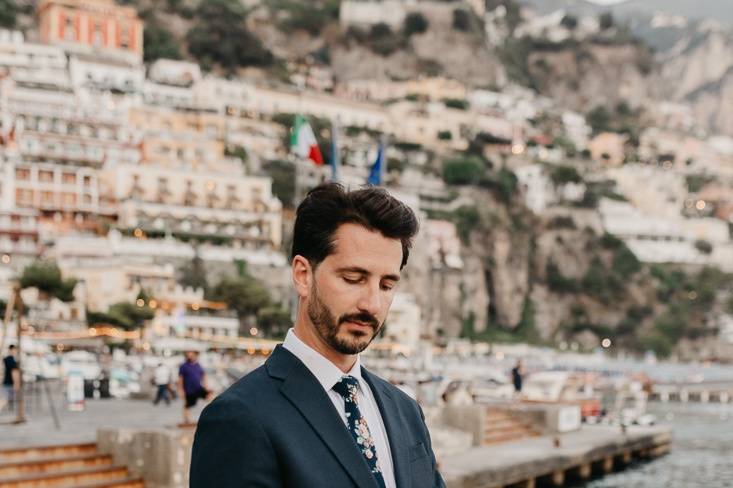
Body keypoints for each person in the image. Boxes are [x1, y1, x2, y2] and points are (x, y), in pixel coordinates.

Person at [191, 183, 445, 488]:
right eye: (353, 279)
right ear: (303, 275)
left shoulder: (406, 411)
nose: (372, 304)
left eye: (386, 285)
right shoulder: (239, 418)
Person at [178, 351, 208, 424]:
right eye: (189, 355)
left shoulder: (198, 365)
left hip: (198, 388)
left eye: (192, 355)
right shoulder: (184, 366)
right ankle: (187, 420)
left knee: (210, 397)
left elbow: (203, 374)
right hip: (189, 389)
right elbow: (180, 379)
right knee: (187, 405)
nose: (190, 357)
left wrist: (206, 385)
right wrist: (180, 390)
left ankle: (213, 414)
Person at [2, 345, 20, 412]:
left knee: (9, 398)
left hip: (7, 381)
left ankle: (11, 410)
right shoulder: (11, 360)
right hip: (9, 382)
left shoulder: (7, 359)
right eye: (14, 350)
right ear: (11, 350)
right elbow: (14, 372)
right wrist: (16, 383)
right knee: (5, 399)